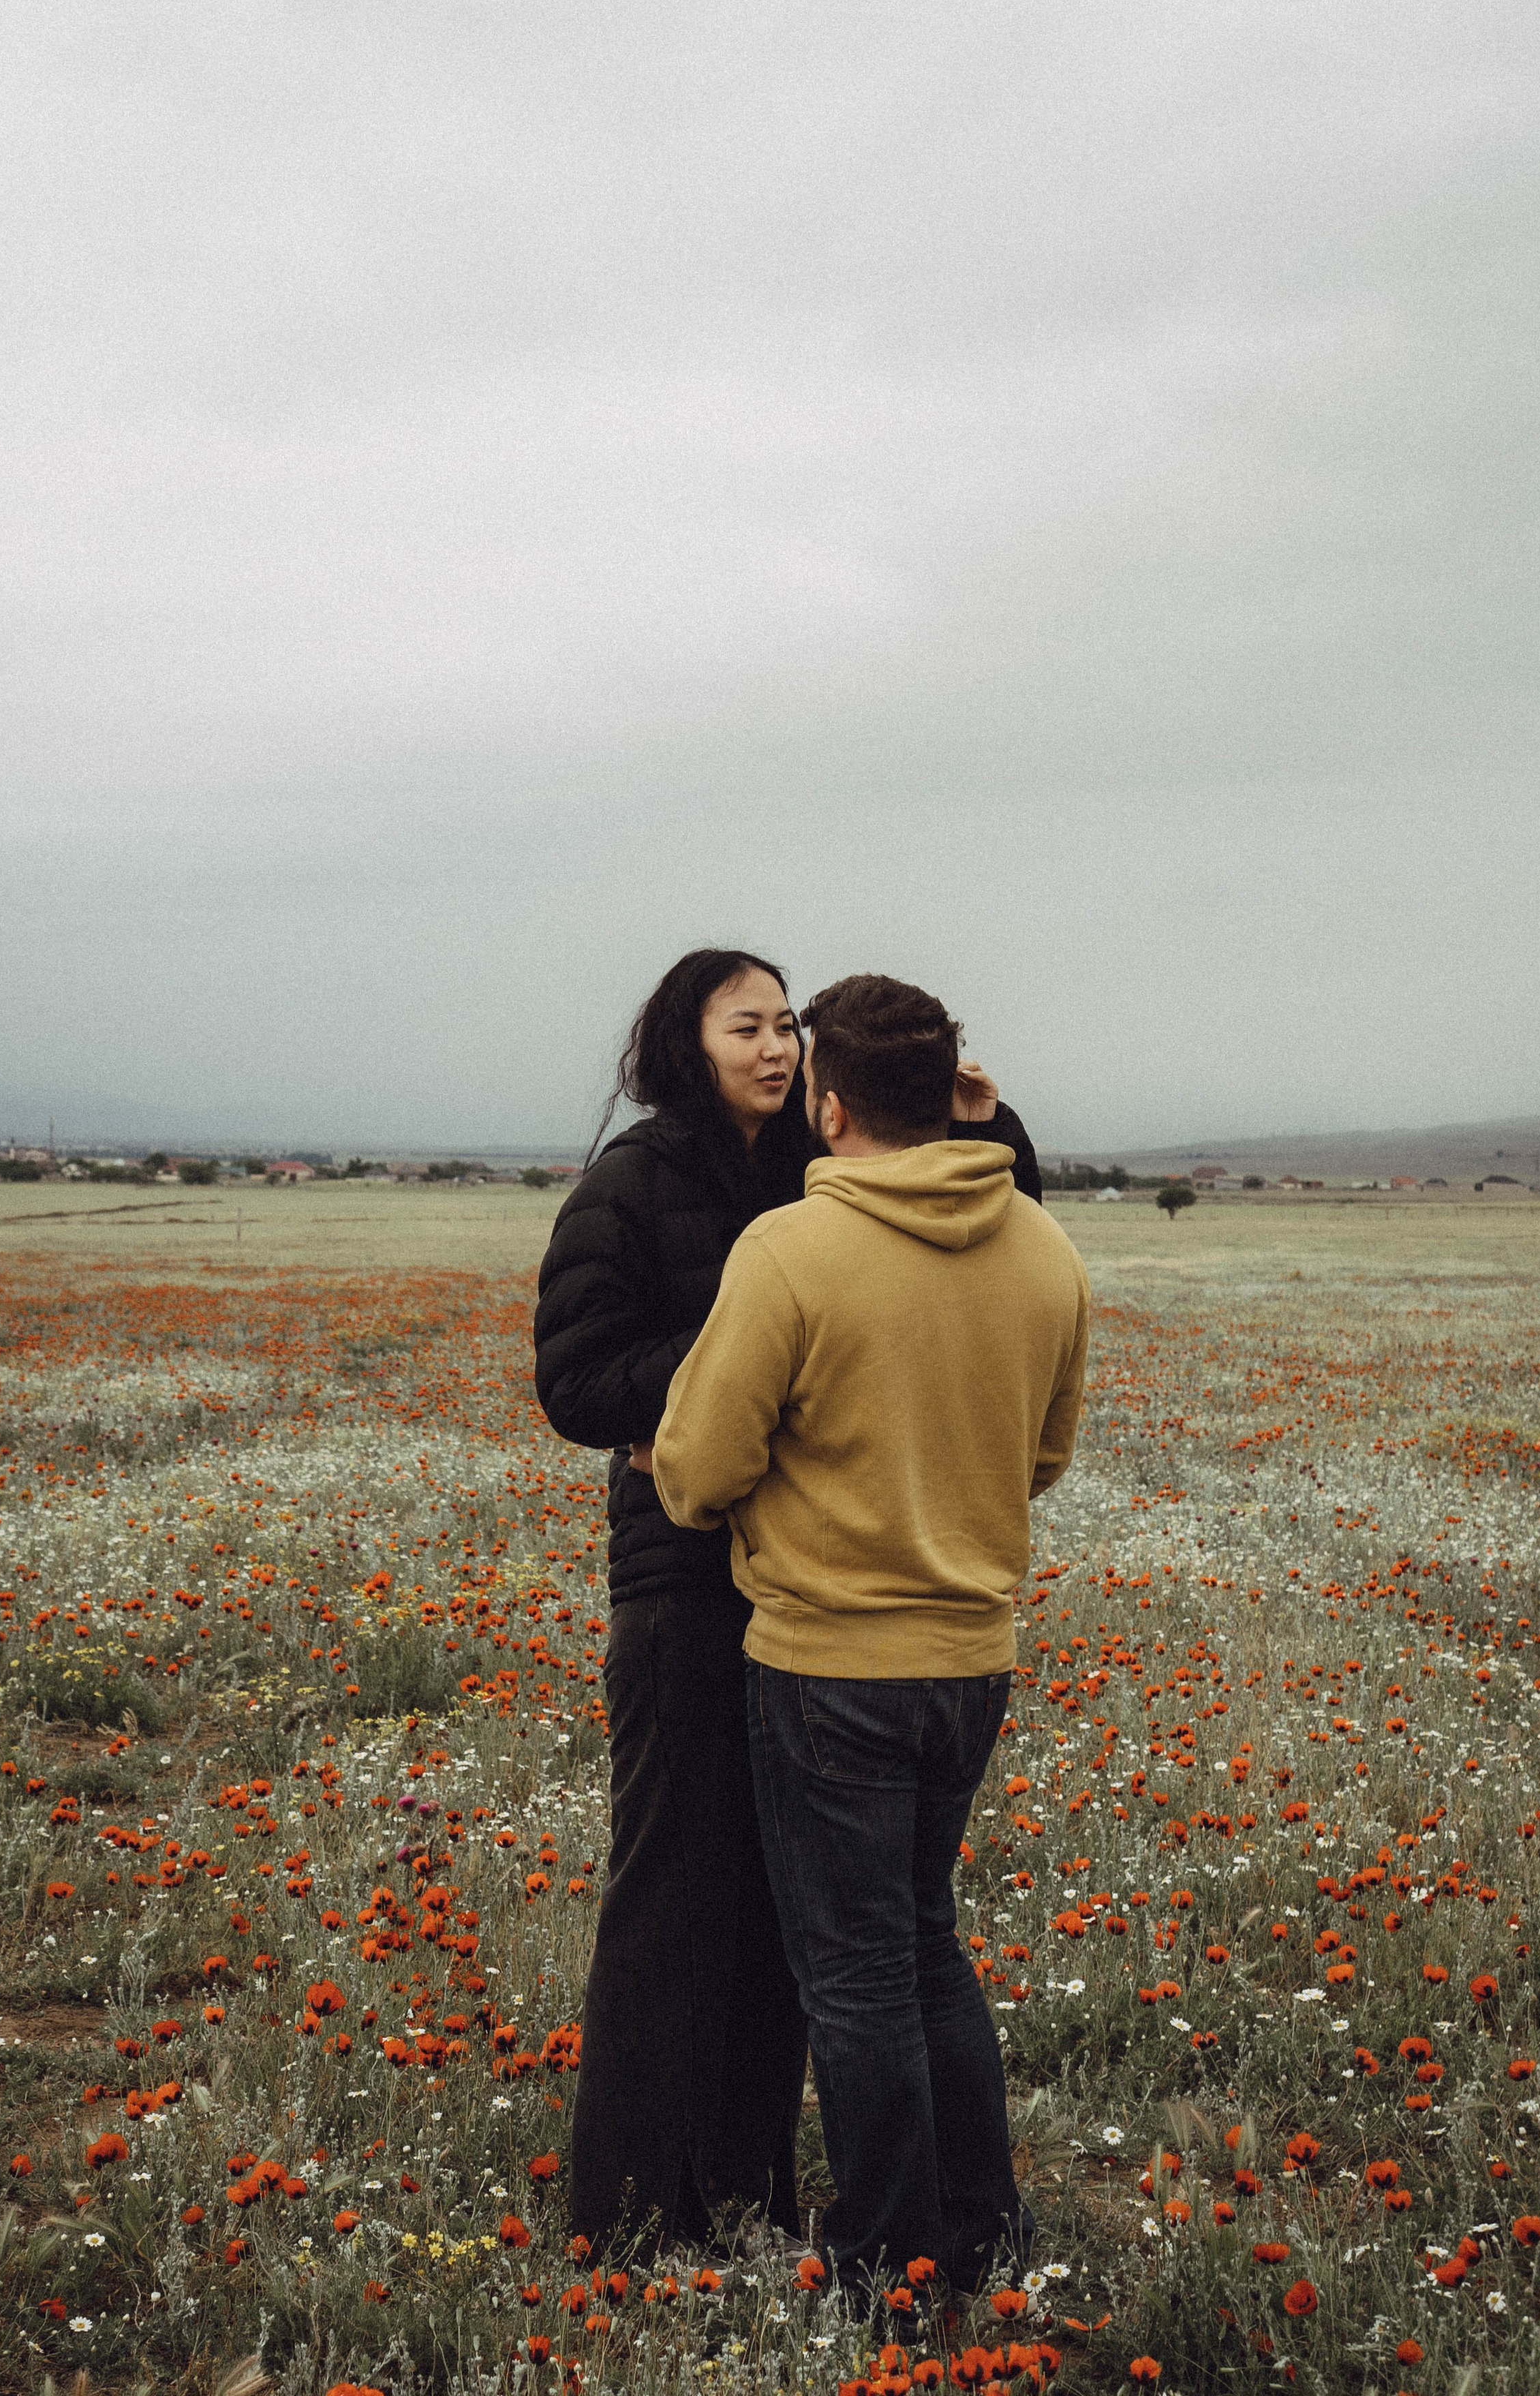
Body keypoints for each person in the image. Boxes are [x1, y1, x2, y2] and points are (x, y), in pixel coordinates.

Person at [533, 948, 1041, 2252]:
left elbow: (969, 1246)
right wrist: (729, 1398)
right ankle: (636, 2212)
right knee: (671, 1899)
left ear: (828, 1087)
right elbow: (578, 1382)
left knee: (784, 1924)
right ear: (681, 1044)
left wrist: (988, 1125)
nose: (773, 1048)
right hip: (684, 1576)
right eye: (743, 1026)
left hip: (812, 1594)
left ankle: (745, 2191)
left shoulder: (810, 1184)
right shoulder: (632, 1185)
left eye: (785, 1028)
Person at [651, 972, 1089, 2295]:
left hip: (827, 1664)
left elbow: (693, 1472)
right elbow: (1045, 1458)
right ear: (945, 1092)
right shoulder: (1044, 1252)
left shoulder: (791, 1252)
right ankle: (981, 2223)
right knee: (922, 1942)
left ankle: (888, 2261)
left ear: (830, 1106)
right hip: (971, 1659)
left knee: (849, 1978)